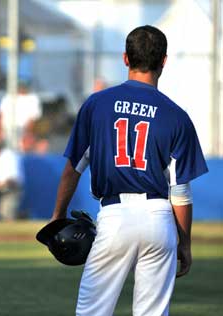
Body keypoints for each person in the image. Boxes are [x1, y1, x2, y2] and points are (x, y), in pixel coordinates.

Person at [49, 25, 208, 316]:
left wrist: (58, 216)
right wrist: (184, 242)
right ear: (164, 61)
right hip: (159, 219)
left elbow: (73, 169)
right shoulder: (177, 115)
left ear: (125, 58)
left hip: (115, 216)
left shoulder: (97, 104)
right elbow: (181, 193)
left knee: (91, 311)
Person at [0, 81, 42, 151]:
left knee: (22, 152)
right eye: (20, 86)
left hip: (23, 132)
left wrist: (27, 134)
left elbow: (33, 118)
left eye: (23, 86)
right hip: (6, 131)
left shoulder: (33, 98)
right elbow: (0, 115)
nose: (21, 88)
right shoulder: (8, 97)